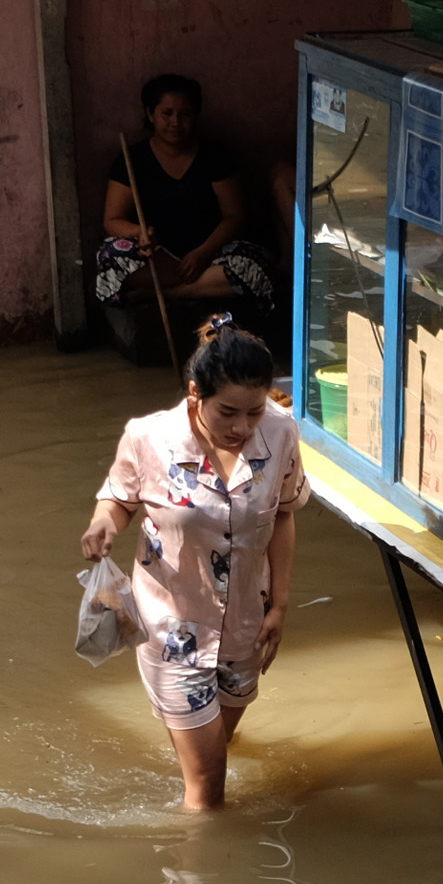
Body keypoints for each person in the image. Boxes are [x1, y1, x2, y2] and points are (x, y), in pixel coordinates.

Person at [80, 317, 307, 812]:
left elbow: (284, 515)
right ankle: (199, 883)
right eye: (227, 412)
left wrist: (281, 606)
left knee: (219, 746)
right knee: (208, 791)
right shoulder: (148, 438)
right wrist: (105, 523)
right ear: (194, 394)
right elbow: (118, 498)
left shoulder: (282, 431)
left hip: (248, 622)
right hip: (172, 627)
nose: (242, 428)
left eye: (253, 411)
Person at [94, 74, 273, 356]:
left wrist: (203, 253)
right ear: (150, 115)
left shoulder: (215, 155)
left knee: (254, 263)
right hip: (159, 257)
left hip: (211, 255)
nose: (175, 122)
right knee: (109, 257)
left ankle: (166, 292)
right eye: (166, 113)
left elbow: (235, 216)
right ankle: (180, 285)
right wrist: (138, 234)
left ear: (196, 116)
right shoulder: (132, 159)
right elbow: (112, 219)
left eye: (184, 114)